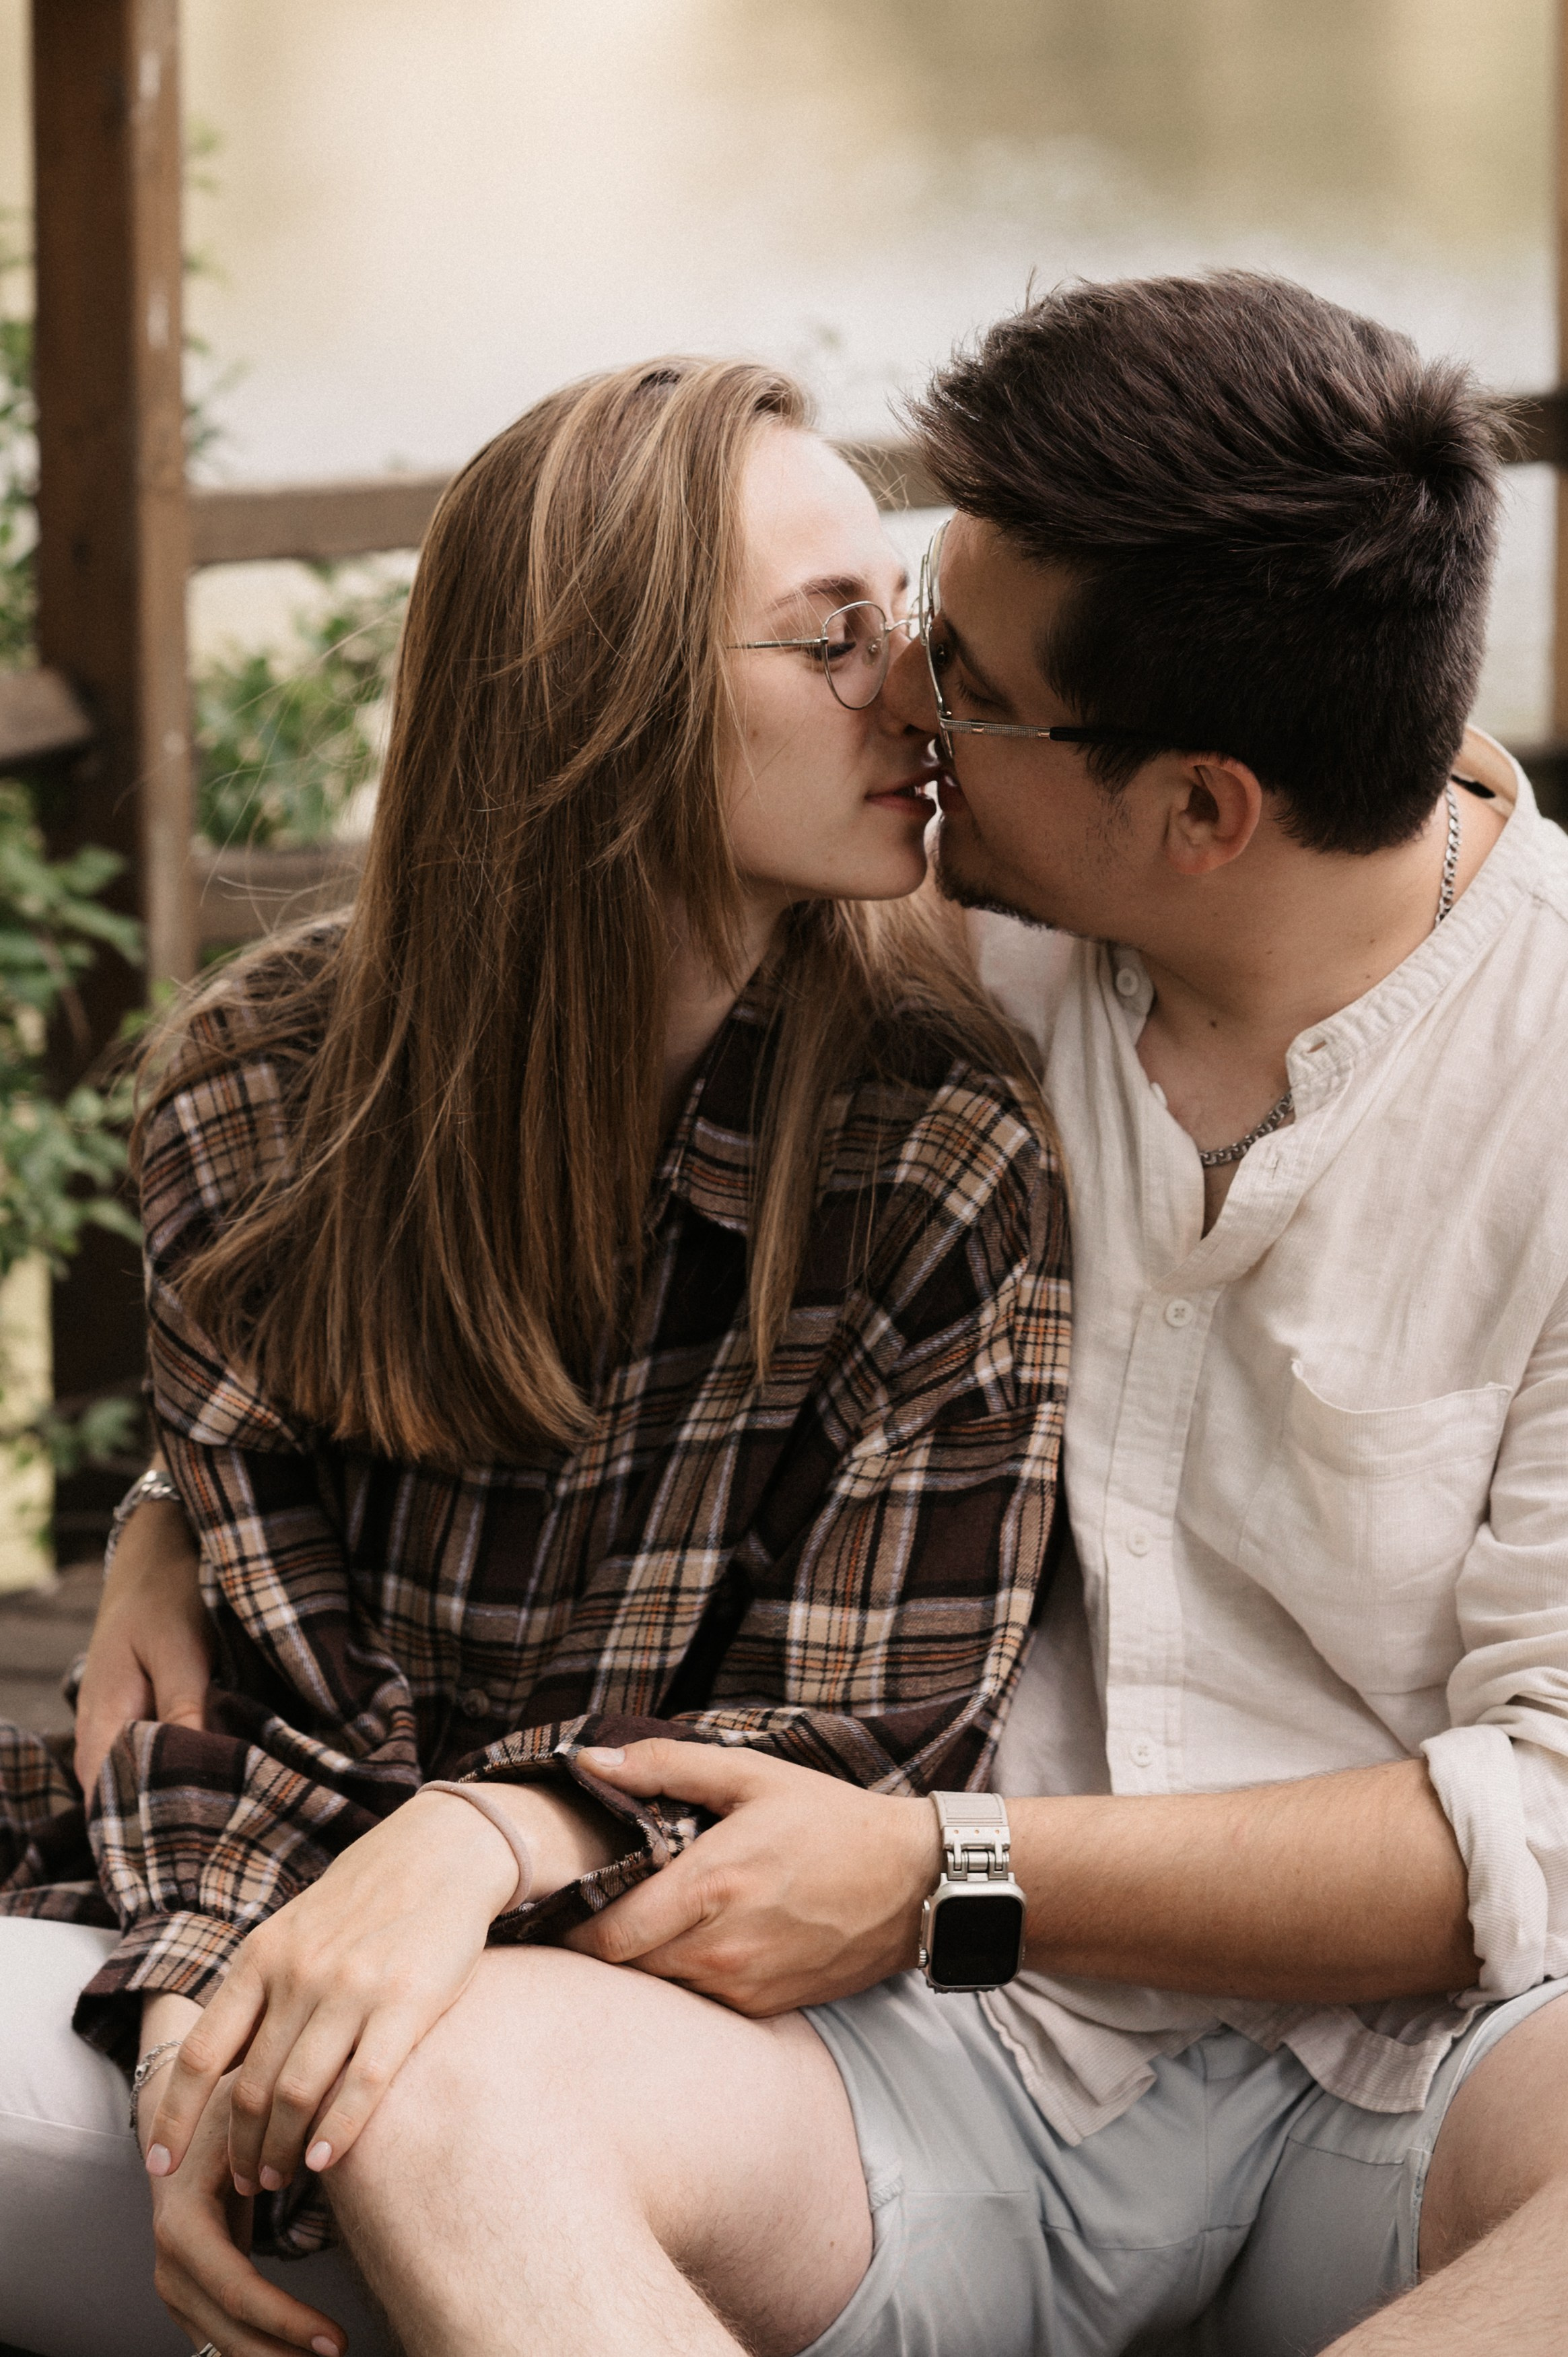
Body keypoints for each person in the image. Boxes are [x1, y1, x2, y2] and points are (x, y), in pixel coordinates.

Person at [16, 268, 1568, 2357]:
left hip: (1407, 2062)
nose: (916, 707)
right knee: (447, 2092)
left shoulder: (1485, 1074)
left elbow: (1541, 1813)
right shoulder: (963, 926)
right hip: (957, 2061)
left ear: (1202, 812)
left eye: (961, 677)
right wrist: (168, 1510)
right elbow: (514, 974)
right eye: (883, 628)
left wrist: (948, 1861)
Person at [0, 356, 1066, 2357]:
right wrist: (195, 2052)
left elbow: (850, 1750)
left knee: (432, 2125)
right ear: (612, 697)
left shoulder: (936, 1151)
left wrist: (474, 1856)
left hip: (709, 2065)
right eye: (834, 640)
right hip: (268, 1934)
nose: (911, 696)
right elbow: (241, 1700)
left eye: (901, 624)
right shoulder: (255, 1092)